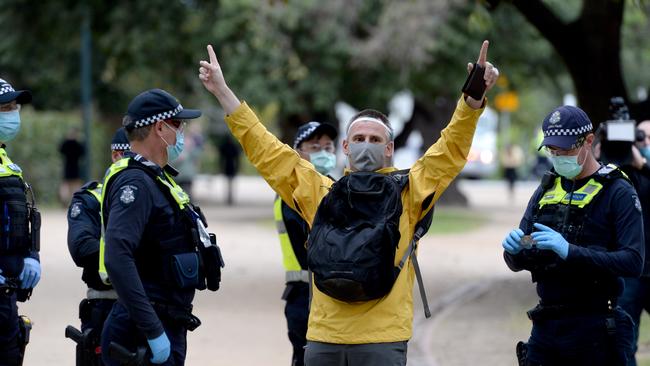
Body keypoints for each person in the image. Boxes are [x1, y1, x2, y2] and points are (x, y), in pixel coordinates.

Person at [199, 40, 498, 365]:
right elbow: (266, 150)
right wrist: (223, 92)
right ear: (345, 145)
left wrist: (472, 100)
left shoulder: (396, 191)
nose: (365, 145)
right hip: (338, 339)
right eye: (359, 139)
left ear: (389, 148)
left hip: (363, 340)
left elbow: (450, 148)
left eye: (374, 140)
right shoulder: (351, 190)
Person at [502, 105, 644, 365]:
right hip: (547, 326)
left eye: (565, 149)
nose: (558, 156)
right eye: (552, 150)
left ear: (588, 141)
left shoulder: (618, 191)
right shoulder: (546, 189)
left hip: (596, 326)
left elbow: (633, 260)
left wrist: (570, 251)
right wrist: (513, 252)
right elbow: (528, 243)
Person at [99, 89, 223, 365]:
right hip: (142, 330)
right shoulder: (137, 184)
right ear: (160, 127)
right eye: (178, 124)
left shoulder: (156, 178)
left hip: (162, 320)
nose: (182, 133)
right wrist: (153, 330)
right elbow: (117, 257)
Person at [275, 121, 337, 366]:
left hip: (327, 296)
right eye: (314, 146)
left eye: (328, 146)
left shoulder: (332, 187)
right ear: (297, 152)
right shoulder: (293, 194)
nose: (323, 152)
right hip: (305, 297)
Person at [65, 127, 130, 365]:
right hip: (106, 303)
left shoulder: (159, 191)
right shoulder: (91, 198)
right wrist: (133, 255)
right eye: (130, 156)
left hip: (151, 305)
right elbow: (82, 248)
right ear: (115, 155)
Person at [0, 78, 41, 365]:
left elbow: (19, 221)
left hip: (7, 293)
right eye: (6, 107)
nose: (14, 113)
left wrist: (31, 255)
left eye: (15, 106)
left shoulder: (5, 161)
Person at [618, 119, 650, 366]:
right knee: (624, 338)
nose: (645, 143)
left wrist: (645, 164)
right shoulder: (623, 173)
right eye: (640, 138)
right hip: (632, 271)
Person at [59, 127, 86, 205]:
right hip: (75, 167)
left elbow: (61, 149)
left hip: (68, 167)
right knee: (74, 185)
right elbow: (83, 152)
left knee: (68, 184)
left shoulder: (66, 143)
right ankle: (74, 200)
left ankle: (67, 201)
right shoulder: (77, 144)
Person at [217, 135, 240, 205]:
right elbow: (237, 158)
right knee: (230, 183)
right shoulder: (233, 146)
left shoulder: (225, 146)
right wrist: (238, 167)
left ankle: (229, 198)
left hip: (227, 165)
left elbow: (221, 158)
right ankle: (230, 198)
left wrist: (220, 167)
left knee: (228, 183)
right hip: (231, 166)